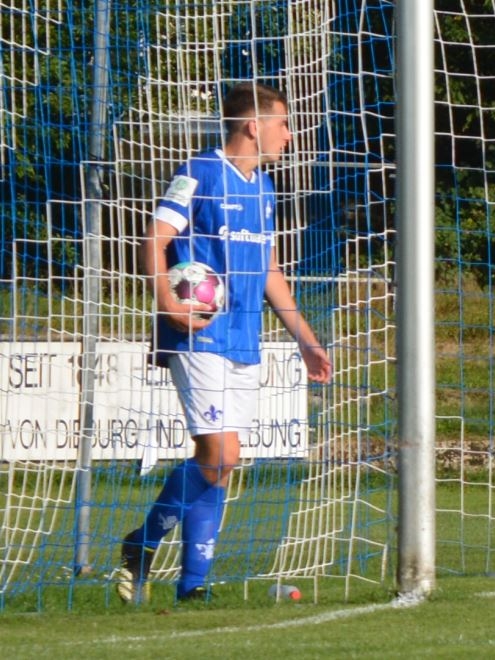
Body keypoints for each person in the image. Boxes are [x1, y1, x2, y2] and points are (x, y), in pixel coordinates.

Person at [114, 82, 332, 603]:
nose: (289, 135)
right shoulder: (199, 173)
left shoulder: (265, 189)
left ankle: (191, 585)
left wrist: (305, 339)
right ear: (254, 126)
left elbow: (270, 270)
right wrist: (168, 303)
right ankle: (143, 544)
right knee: (221, 454)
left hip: (244, 340)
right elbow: (155, 240)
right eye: (283, 123)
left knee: (219, 464)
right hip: (197, 334)